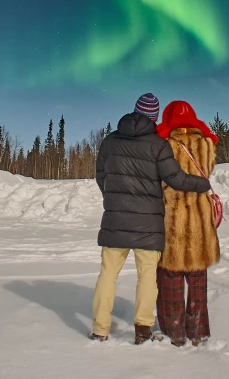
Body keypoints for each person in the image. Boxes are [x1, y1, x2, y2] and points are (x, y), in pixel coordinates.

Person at [90, 93, 212, 345]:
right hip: (149, 224)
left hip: (115, 221)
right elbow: (176, 179)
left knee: (107, 275)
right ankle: (143, 329)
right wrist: (203, 184)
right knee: (146, 275)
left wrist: (112, 198)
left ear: (134, 111)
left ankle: (100, 329)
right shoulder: (157, 144)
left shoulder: (110, 141)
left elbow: (100, 176)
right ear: (154, 117)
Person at [154, 100, 220, 347]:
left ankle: (174, 333)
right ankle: (198, 331)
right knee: (197, 278)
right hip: (200, 218)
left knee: (169, 276)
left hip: (171, 217)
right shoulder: (206, 143)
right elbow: (208, 169)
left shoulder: (162, 144)